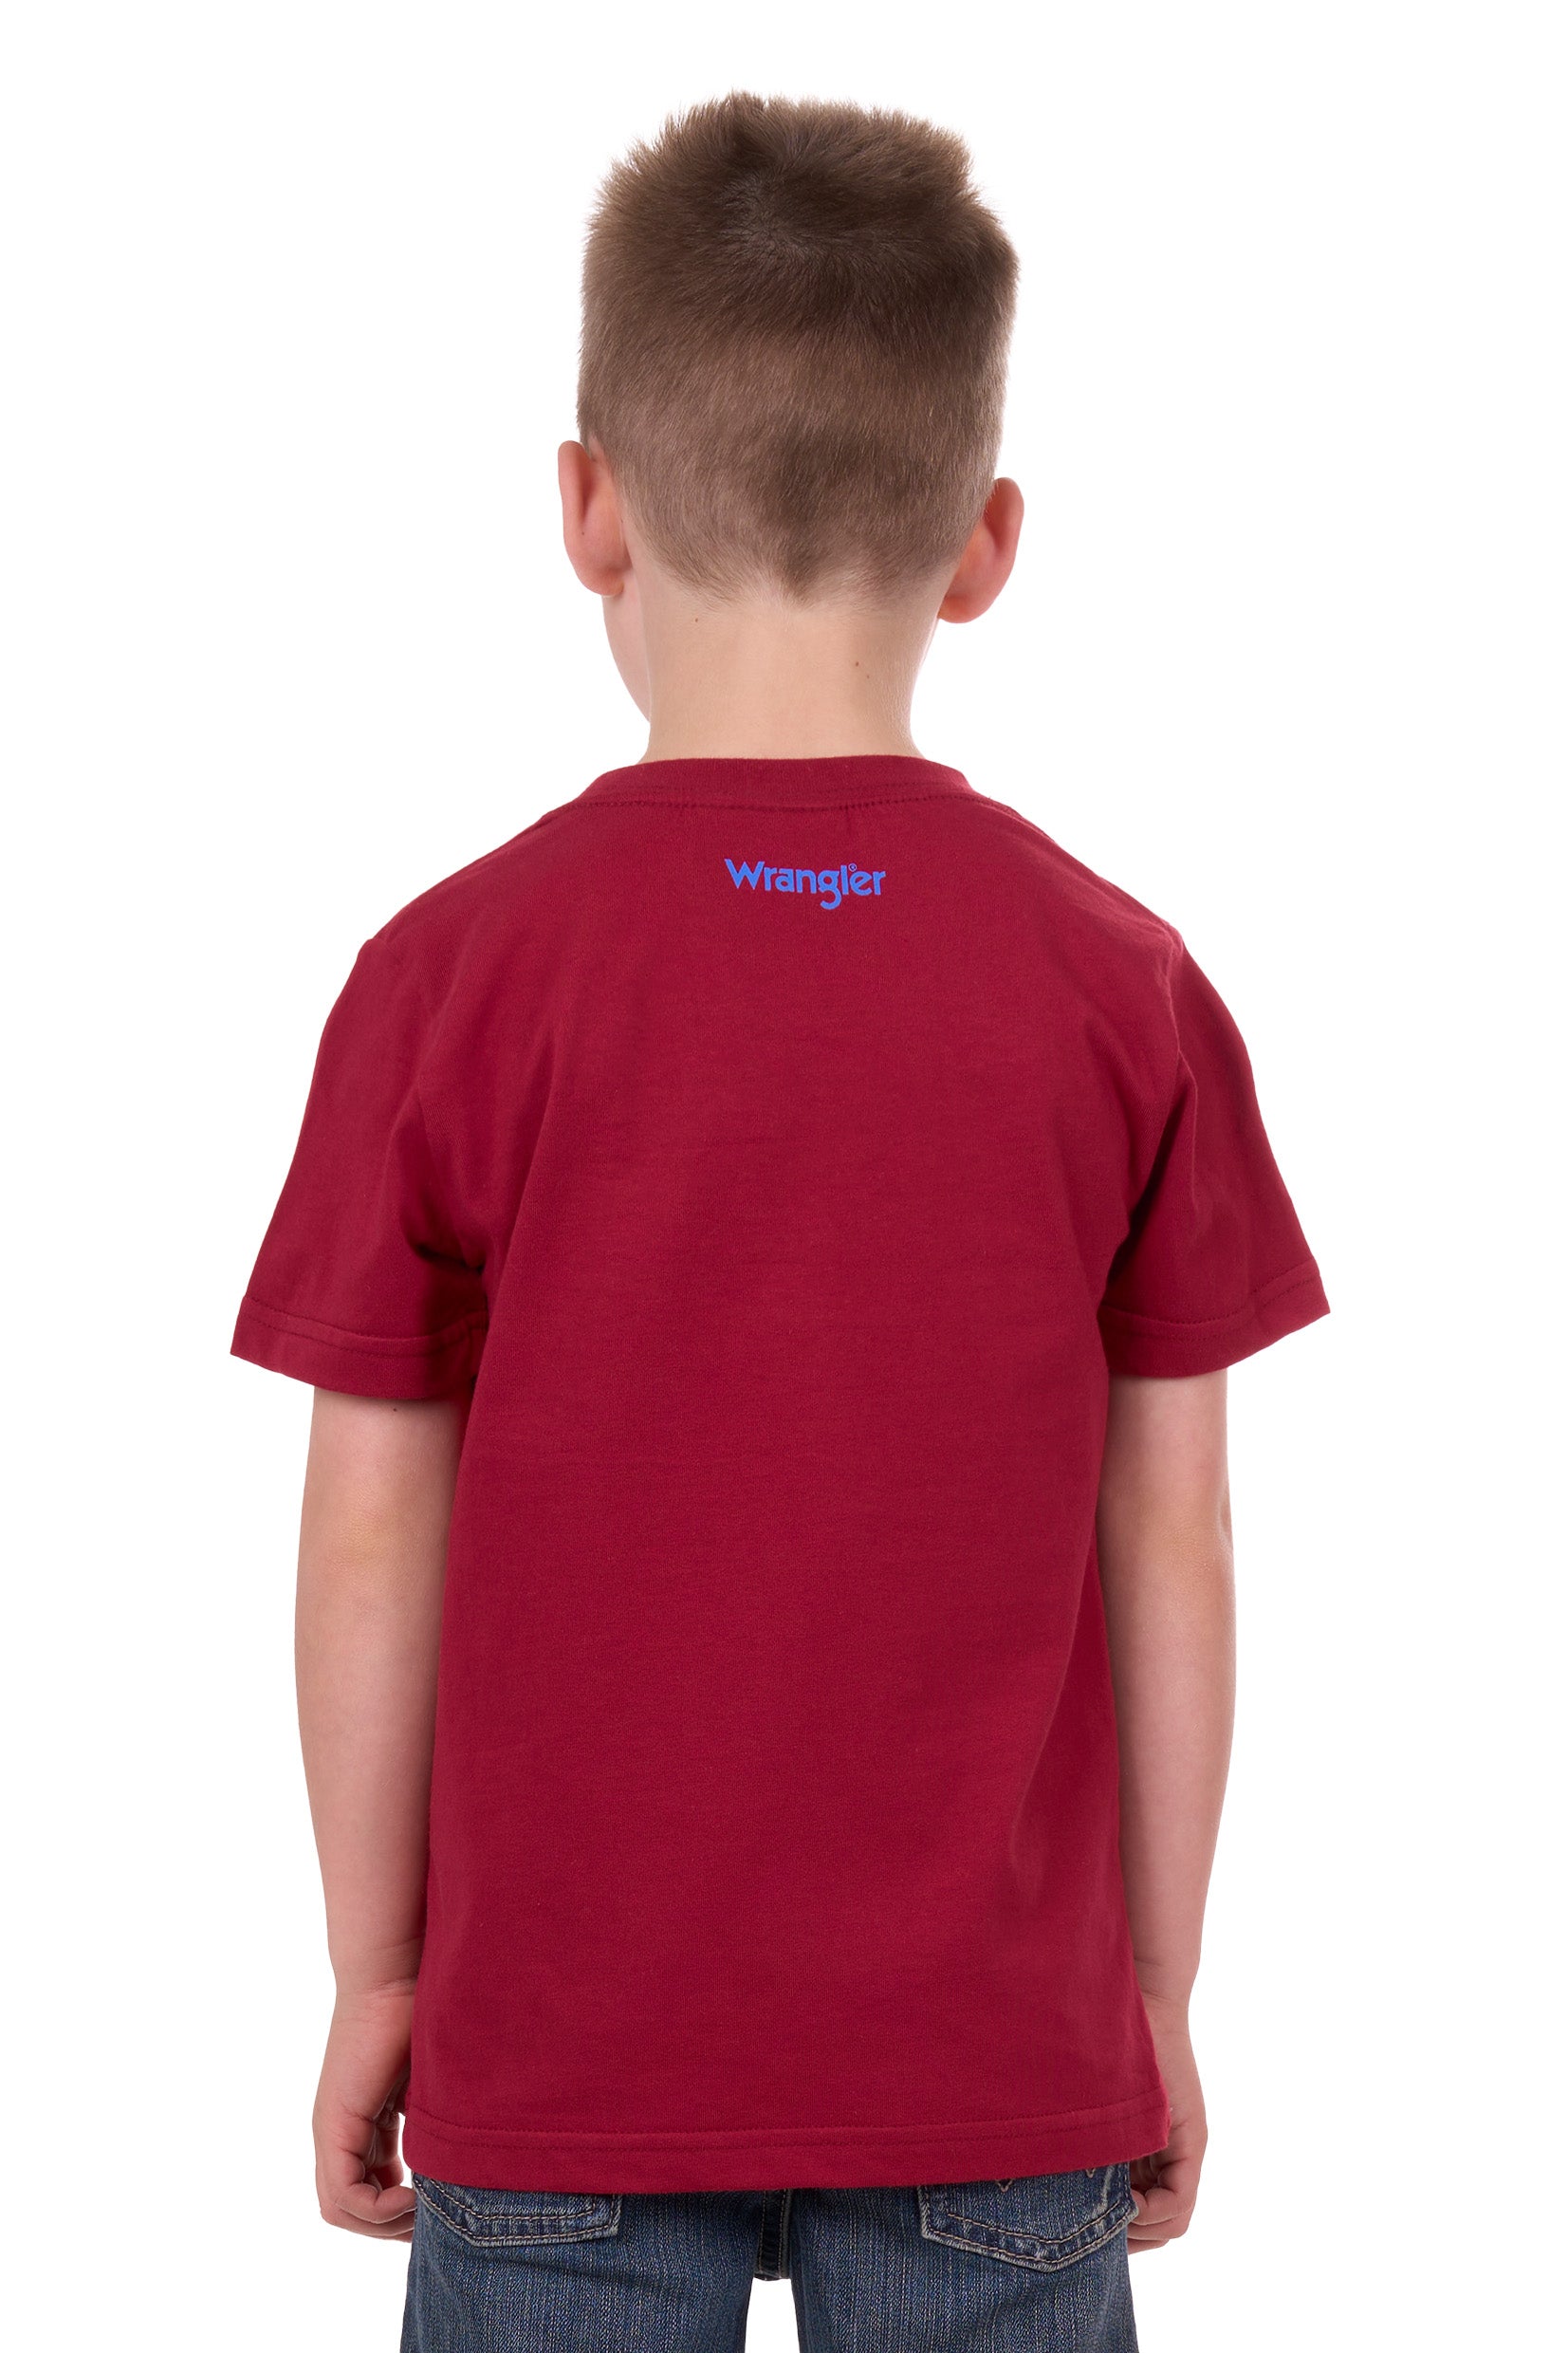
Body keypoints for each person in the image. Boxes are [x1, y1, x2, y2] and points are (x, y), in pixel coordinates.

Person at [232, 92, 1328, 2352]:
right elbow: (1173, 1533)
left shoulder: (447, 978)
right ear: (983, 541)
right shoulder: (1117, 984)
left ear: (585, 506)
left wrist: (372, 1970)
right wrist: (1150, 1987)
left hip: (557, 2061)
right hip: (993, 2070)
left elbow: (365, 1533)